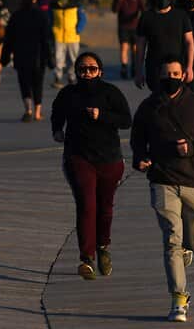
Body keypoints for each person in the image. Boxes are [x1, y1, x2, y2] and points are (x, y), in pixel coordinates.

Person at [130, 55, 194, 322]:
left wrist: (193, 149)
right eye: (165, 74)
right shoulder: (149, 107)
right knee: (171, 239)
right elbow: (137, 140)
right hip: (162, 179)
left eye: (175, 74)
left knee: (193, 238)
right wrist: (140, 158)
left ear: (183, 76)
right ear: (158, 77)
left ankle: (188, 248)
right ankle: (179, 300)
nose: (170, 79)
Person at [52, 52, 132, 280]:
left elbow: (126, 120)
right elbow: (57, 114)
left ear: (101, 71)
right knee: (87, 205)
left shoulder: (111, 93)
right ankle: (86, 259)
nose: (87, 74)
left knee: (105, 208)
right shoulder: (68, 94)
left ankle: (103, 247)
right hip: (78, 157)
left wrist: (102, 115)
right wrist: (57, 130)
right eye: (83, 70)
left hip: (109, 159)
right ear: (77, 72)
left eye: (92, 69)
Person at [134, 0, 194, 95]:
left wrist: (189, 67)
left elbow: (189, 42)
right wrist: (138, 71)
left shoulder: (181, 16)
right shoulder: (146, 17)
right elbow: (140, 46)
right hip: (154, 68)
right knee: (159, 101)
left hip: (176, 69)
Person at [1, 0, 53, 121]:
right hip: (38, 56)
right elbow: (46, 39)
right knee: (38, 83)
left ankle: (28, 109)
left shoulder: (16, 16)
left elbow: (9, 40)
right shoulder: (41, 16)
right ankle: (37, 112)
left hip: (21, 55)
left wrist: (5, 57)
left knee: (24, 83)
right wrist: (50, 59)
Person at [51, 0, 86, 89]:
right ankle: (58, 78)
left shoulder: (75, 1)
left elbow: (83, 18)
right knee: (58, 58)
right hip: (58, 34)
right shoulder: (54, 2)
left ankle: (72, 76)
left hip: (72, 35)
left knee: (73, 58)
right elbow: (49, 18)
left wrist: (78, 30)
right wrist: (52, 30)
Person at [111, 0, 144, 79]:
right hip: (123, 27)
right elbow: (114, 10)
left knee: (135, 49)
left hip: (135, 27)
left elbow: (143, 9)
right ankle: (124, 68)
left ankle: (134, 68)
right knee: (124, 47)